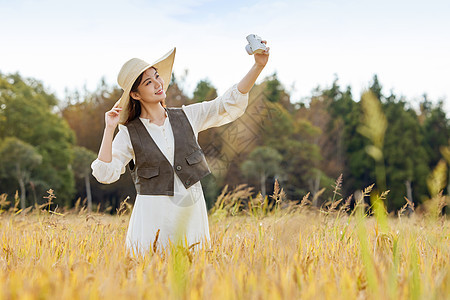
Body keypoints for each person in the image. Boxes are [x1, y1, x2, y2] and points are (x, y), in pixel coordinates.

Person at [91, 41, 270, 255]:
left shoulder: (188, 116)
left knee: (192, 274)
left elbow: (226, 105)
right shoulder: (129, 132)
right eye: (148, 82)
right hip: (152, 218)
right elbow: (104, 173)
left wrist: (258, 66)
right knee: (150, 276)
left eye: (157, 76)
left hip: (190, 214)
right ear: (135, 95)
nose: (158, 84)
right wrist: (109, 129)